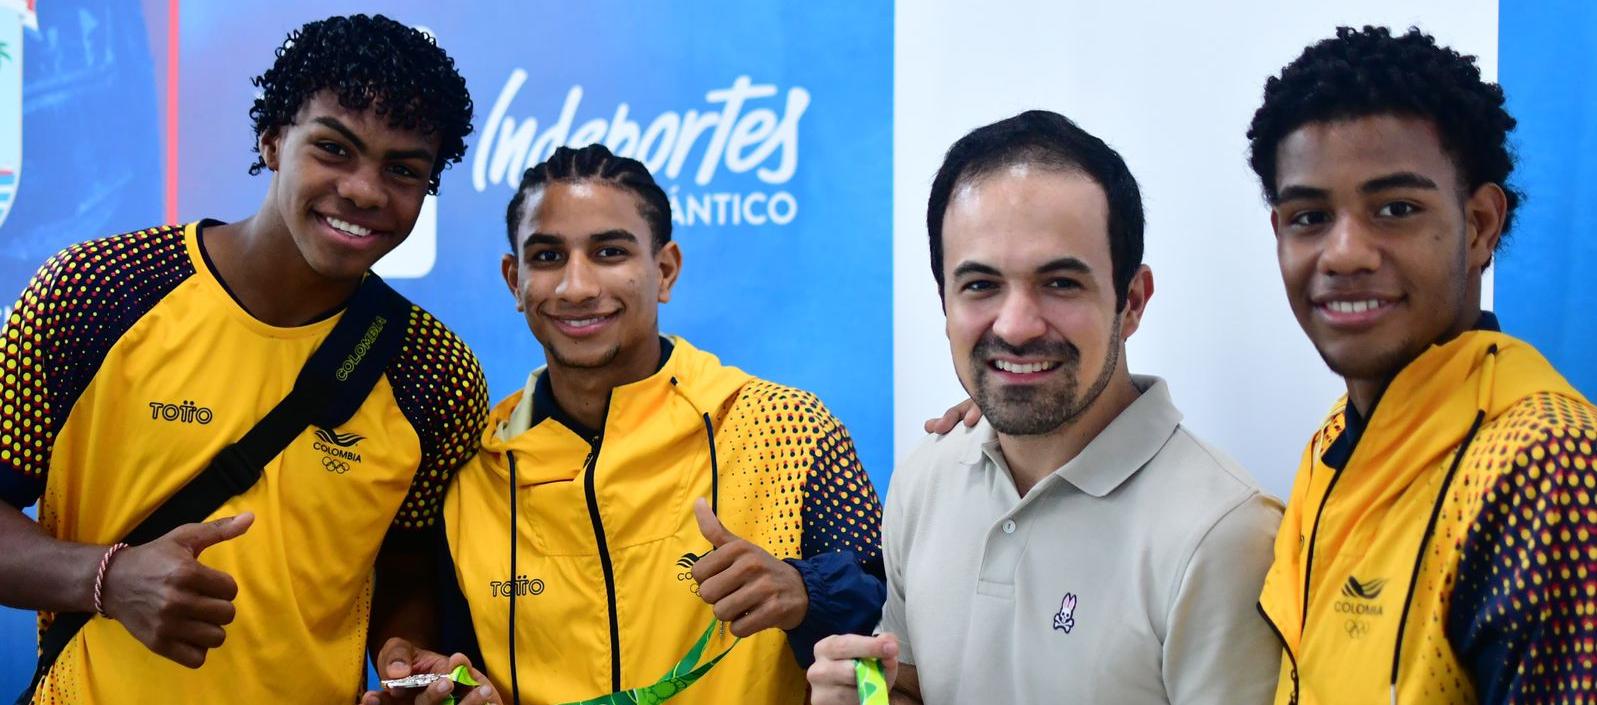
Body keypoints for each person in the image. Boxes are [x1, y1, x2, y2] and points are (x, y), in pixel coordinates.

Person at [0, 14, 493, 703]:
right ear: (272, 139)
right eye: (333, 148)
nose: (363, 190)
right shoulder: (94, 293)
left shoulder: (435, 373)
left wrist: (401, 647)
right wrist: (107, 578)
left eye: (403, 168)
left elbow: (405, 563)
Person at [369, 144, 885, 705]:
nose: (577, 286)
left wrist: (805, 592)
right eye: (547, 257)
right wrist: (451, 687)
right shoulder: (472, 474)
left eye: (609, 252)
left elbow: (894, 629)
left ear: (664, 270)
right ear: (514, 280)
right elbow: (457, 669)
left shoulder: (790, 429)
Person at [806, 110, 1283, 704]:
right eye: (980, 285)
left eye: (1060, 283)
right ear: (945, 303)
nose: (1017, 326)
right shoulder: (926, 478)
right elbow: (913, 683)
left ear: (1131, 302)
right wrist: (871, 691)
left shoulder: (1224, 532)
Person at [1245, 26, 1597, 705]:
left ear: (1479, 226)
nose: (1343, 253)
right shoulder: (1330, 445)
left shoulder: (1544, 458)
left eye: (1396, 208)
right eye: (1309, 215)